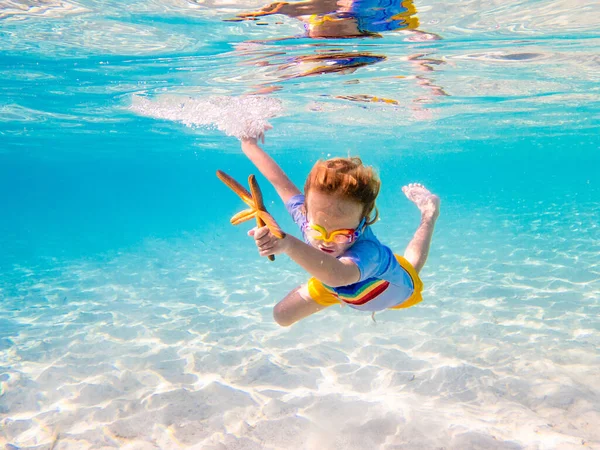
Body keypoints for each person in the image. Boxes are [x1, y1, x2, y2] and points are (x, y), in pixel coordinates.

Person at [241, 129, 440, 326]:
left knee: (411, 265)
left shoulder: (371, 254)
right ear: (305, 211)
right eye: (317, 231)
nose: (326, 241)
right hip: (332, 283)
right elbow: (280, 182)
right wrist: (248, 145)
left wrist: (287, 245)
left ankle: (429, 214)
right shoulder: (307, 217)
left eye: (342, 235)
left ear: (363, 222)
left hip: (386, 285)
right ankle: (335, 287)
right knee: (281, 316)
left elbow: (338, 275)